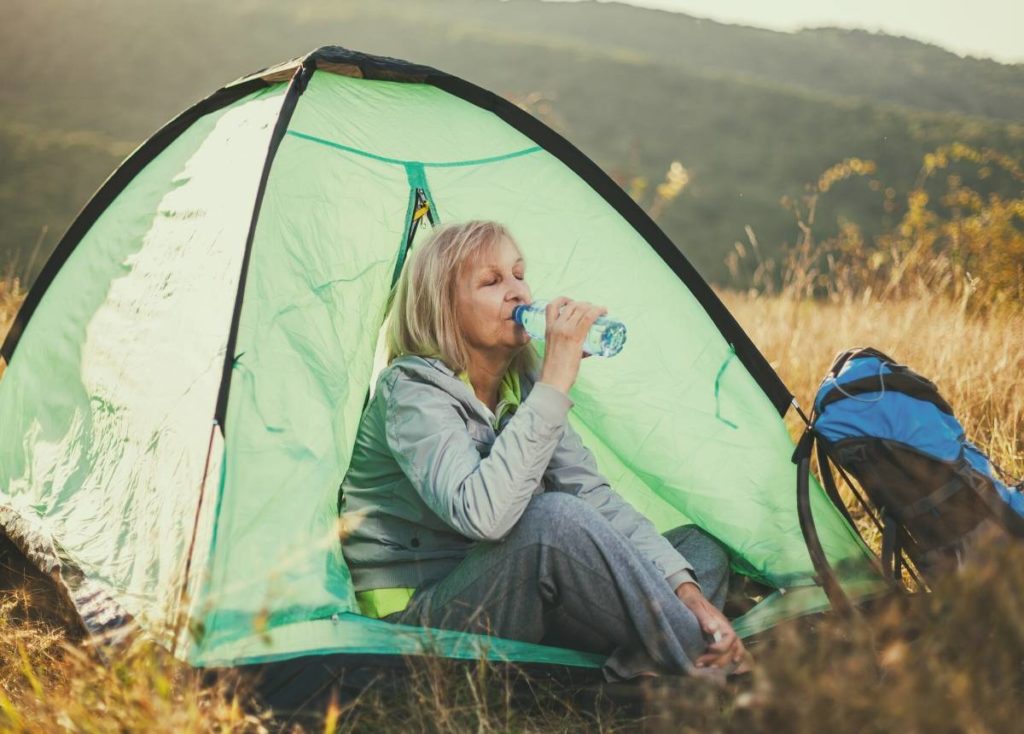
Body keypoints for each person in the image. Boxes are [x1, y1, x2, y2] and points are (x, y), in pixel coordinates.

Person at [340, 220, 750, 680]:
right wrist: (557, 380)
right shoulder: (412, 392)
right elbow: (486, 516)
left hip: (513, 596)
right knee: (552, 521)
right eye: (492, 281)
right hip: (418, 620)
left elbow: (593, 498)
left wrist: (689, 594)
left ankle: (649, 665)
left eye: (518, 273)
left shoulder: (524, 385)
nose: (518, 292)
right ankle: (708, 664)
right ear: (444, 308)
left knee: (696, 550)